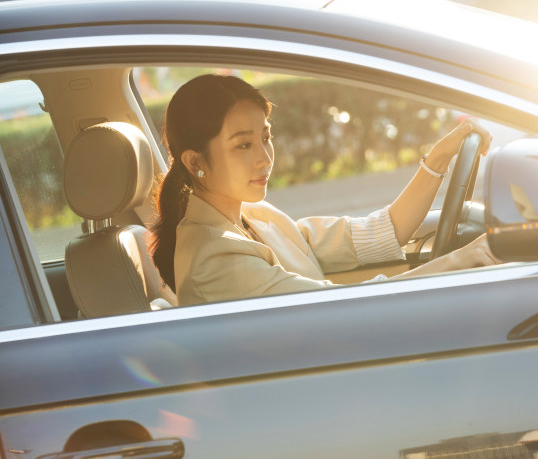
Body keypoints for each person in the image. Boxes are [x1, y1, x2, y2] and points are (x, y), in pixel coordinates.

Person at [150, 74, 498, 305]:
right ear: (196, 161)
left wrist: (438, 159)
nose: (264, 158)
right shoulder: (214, 259)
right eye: (243, 145)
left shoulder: (255, 216)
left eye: (266, 137)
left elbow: (376, 233)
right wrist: (460, 259)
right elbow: (341, 309)